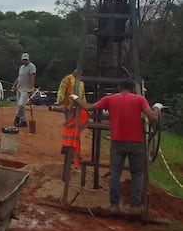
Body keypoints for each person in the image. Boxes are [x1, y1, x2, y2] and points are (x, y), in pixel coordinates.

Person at [70, 80, 162, 215]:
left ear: (119, 88)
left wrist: (75, 98)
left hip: (117, 142)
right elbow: (153, 117)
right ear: (133, 89)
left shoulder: (109, 99)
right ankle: (135, 207)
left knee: (115, 174)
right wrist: (157, 108)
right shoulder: (140, 99)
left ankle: (114, 206)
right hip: (136, 143)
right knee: (137, 174)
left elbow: (88, 107)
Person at [56, 69, 88, 169]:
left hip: (78, 107)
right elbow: (62, 89)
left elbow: (83, 95)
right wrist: (60, 100)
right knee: (69, 126)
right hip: (69, 106)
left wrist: (85, 105)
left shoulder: (81, 83)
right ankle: (66, 147)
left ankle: (72, 147)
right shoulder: (68, 79)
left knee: (75, 128)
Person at [11, 53, 36, 127]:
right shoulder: (21, 67)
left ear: (28, 59)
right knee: (20, 106)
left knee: (21, 105)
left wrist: (31, 88)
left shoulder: (31, 66)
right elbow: (19, 77)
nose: (25, 61)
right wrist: (14, 85)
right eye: (23, 59)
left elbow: (32, 77)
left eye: (26, 59)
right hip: (19, 88)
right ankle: (23, 121)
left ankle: (17, 117)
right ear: (22, 60)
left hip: (26, 89)